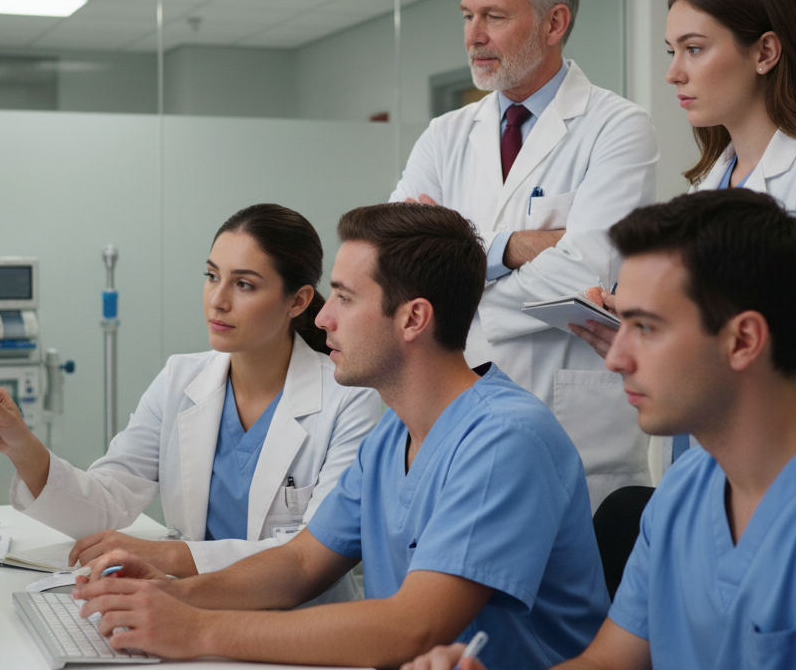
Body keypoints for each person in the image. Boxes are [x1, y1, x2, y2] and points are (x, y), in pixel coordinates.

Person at [408, 190, 796, 670]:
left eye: (645, 328)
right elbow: (609, 663)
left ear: (742, 340)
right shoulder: (688, 489)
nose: (615, 359)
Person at [69, 203, 608, 670]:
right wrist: (172, 593)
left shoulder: (504, 440)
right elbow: (301, 563)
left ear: (413, 318)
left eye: (345, 299)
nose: (323, 319)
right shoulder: (395, 432)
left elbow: (412, 627)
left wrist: (195, 629)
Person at [0, 203, 381, 602]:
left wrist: (171, 556)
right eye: (212, 276)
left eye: (244, 284)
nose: (218, 299)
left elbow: (312, 553)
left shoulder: (348, 400)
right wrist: (22, 448)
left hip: (298, 633)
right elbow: (107, 504)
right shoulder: (181, 380)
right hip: (187, 614)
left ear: (298, 300)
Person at [573, 0, 796, 443]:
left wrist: (702, 371)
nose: (674, 74)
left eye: (694, 49)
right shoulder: (709, 183)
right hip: (712, 456)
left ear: (765, 52)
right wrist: (640, 331)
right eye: (671, 51)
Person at [391, 0, 661, 508]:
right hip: (453, 424)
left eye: (494, 16)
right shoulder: (446, 136)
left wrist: (451, 285)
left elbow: (586, 272)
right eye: (467, 16)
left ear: (554, 22)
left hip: (575, 444)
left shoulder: (617, 128)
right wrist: (512, 248)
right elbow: (395, 265)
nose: (473, 36)